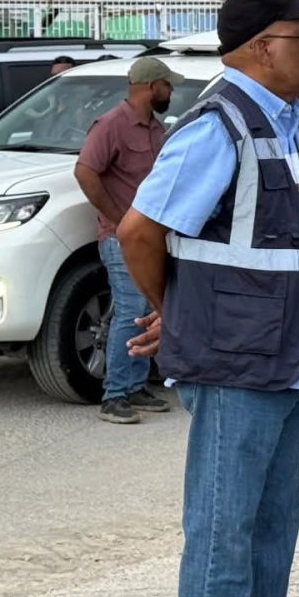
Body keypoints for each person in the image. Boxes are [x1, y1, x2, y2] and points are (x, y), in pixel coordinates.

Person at [116, 0, 299, 597]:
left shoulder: (281, 122)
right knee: (222, 542)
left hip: (285, 363)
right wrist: (177, 309)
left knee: (270, 538)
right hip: (239, 367)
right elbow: (138, 231)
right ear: (264, 48)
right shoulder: (220, 124)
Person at [75, 56, 179, 423]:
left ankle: (134, 388)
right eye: (168, 85)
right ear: (152, 86)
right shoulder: (111, 125)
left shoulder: (154, 128)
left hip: (150, 238)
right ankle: (114, 395)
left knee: (143, 311)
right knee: (130, 311)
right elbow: (86, 172)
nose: (172, 91)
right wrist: (120, 222)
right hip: (122, 240)